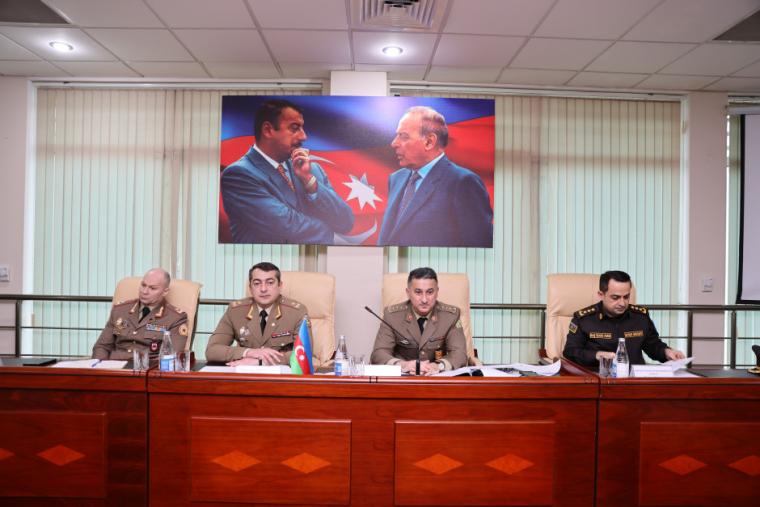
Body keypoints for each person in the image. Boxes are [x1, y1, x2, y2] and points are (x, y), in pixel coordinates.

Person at [221, 98, 354, 245]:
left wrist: (309, 182)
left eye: (302, 128)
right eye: (294, 128)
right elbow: (286, 227)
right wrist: (328, 228)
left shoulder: (313, 171)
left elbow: (345, 223)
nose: (303, 137)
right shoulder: (238, 174)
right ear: (268, 130)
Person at [377, 106, 493, 247]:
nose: (394, 143)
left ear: (429, 142)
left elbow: (479, 245)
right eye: (397, 135)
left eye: (404, 137)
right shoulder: (396, 179)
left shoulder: (463, 182)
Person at [563, 270, 686, 366]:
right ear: (601, 295)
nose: (622, 303)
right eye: (615, 298)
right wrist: (596, 355)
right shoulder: (583, 319)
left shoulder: (640, 317)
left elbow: (653, 346)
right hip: (600, 379)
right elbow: (570, 352)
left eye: (626, 297)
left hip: (634, 380)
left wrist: (667, 352)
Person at [206, 262, 314, 366]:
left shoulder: (297, 312)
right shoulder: (235, 311)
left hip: (281, 375)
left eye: (270, 283)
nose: (263, 289)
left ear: (280, 286)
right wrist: (248, 352)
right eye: (257, 284)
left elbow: (304, 353)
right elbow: (212, 350)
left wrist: (260, 362)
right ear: (250, 288)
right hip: (245, 374)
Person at [370, 267, 467, 375]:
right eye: (418, 292)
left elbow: (460, 354)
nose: (424, 300)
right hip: (403, 379)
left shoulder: (450, 316)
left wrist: (438, 366)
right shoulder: (392, 316)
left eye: (430, 292)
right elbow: (378, 353)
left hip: (436, 377)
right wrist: (402, 365)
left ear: (437, 292)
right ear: (408, 293)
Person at [92, 268, 188, 360]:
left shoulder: (175, 317)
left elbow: (170, 356)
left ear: (165, 292)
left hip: (146, 369)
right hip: (114, 367)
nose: (144, 291)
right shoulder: (120, 309)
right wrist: (99, 367)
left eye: (152, 288)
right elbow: (102, 346)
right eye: (143, 285)